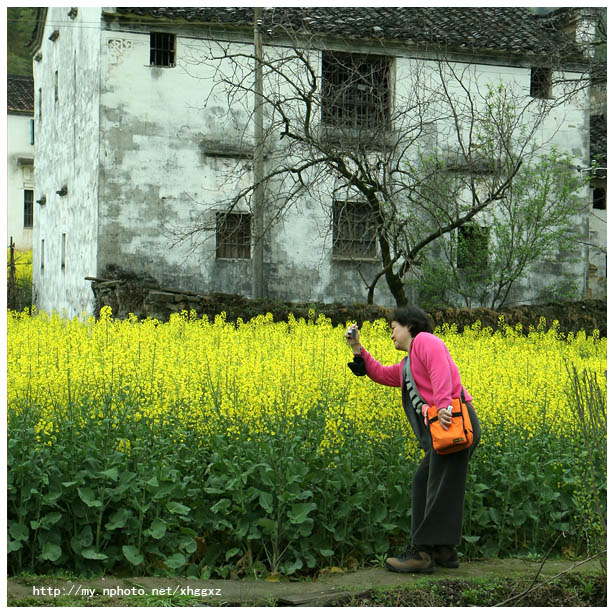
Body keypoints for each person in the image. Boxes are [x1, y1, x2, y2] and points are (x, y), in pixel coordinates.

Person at [345, 305, 481, 574]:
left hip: (451, 422)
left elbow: (441, 369)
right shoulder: (409, 364)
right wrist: (357, 350)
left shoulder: (426, 342)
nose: (391, 335)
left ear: (409, 326)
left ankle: (422, 552)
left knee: (434, 484)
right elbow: (382, 373)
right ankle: (444, 549)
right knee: (429, 482)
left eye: (393, 328)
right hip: (446, 427)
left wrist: (442, 405)